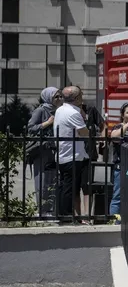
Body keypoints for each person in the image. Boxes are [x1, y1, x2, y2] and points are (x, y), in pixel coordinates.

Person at [53, 85, 91, 222]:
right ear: (76, 98)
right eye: (81, 94)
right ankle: (67, 216)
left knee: (65, 185)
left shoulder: (60, 109)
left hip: (63, 154)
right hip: (72, 155)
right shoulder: (73, 113)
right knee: (69, 188)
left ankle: (63, 214)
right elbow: (84, 132)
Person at [26, 86, 61, 216]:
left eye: (60, 96)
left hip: (54, 150)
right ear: (48, 98)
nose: (59, 99)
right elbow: (31, 128)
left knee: (53, 180)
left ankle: (51, 209)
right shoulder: (40, 110)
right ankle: (42, 210)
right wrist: (47, 123)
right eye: (56, 97)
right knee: (42, 181)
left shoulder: (59, 111)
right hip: (42, 151)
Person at [108, 102, 128, 218]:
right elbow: (114, 136)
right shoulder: (119, 127)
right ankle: (114, 220)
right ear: (122, 115)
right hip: (120, 166)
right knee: (118, 195)